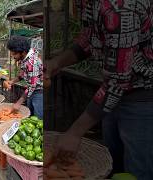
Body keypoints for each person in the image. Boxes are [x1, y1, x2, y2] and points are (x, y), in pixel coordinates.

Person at [46, 0, 153, 179]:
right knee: (113, 164)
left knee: (138, 171)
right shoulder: (90, 4)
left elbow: (118, 81)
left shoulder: (120, 8)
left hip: (141, 98)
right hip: (111, 98)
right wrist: (56, 63)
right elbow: (88, 39)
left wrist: (75, 132)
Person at [3, 36, 43, 120]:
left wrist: (18, 103)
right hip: (31, 92)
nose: (13, 56)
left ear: (23, 52)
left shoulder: (33, 62)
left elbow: (32, 86)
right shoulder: (25, 57)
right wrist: (12, 82)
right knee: (30, 116)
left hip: (39, 92)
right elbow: (22, 74)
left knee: (38, 119)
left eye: (14, 54)